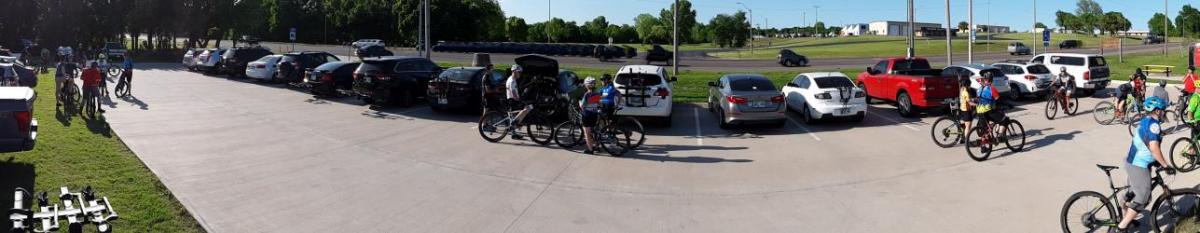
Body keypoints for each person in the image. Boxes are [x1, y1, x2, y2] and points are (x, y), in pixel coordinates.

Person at [1116, 96, 1174, 232]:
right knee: (1143, 197)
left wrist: (1155, 162)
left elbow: (1146, 144)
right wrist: (1165, 165)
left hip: (1135, 162)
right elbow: (1154, 148)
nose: (1165, 112)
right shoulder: (1153, 125)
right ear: (1158, 111)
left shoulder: (1145, 121)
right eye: (1163, 109)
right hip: (1138, 165)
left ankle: (1125, 203)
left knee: (1138, 191)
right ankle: (1122, 227)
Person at [506, 64, 532, 139]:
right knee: (528, 108)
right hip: (512, 100)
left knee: (519, 113)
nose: (520, 74)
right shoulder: (512, 81)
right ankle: (514, 124)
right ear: (514, 71)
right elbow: (514, 94)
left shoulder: (513, 79)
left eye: (520, 72)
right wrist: (521, 99)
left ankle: (514, 130)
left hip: (513, 100)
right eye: (519, 72)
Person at [579, 77, 602, 154]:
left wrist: (580, 104)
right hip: (594, 114)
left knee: (587, 133)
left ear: (587, 85)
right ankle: (597, 146)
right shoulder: (597, 93)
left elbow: (582, 106)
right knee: (593, 131)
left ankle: (590, 149)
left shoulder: (587, 94)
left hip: (587, 115)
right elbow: (599, 103)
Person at [958, 75, 976, 143]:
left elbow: (966, 99)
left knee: (966, 125)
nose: (970, 86)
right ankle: (967, 141)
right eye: (969, 85)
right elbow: (970, 103)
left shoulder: (962, 89)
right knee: (968, 127)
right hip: (966, 110)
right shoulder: (966, 92)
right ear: (967, 85)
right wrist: (977, 105)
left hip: (963, 109)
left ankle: (963, 138)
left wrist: (973, 99)